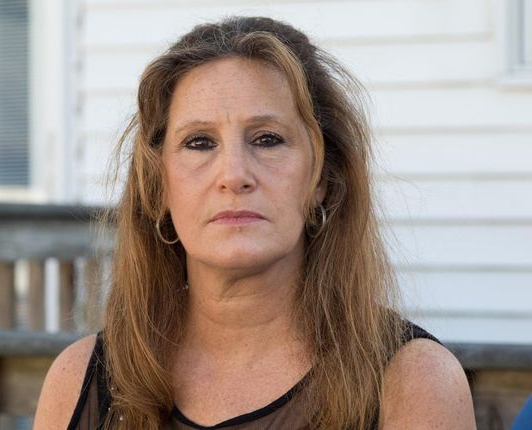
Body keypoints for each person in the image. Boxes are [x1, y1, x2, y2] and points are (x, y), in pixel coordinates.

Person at [35, 16, 474, 429]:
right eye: (199, 142)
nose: (234, 175)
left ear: (322, 178)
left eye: (267, 139)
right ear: (159, 185)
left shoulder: (413, 381)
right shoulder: (79, 381)